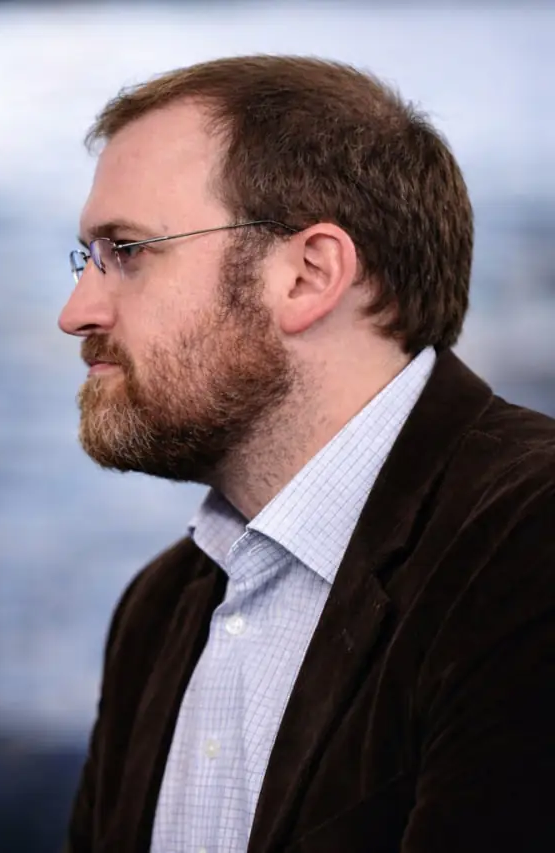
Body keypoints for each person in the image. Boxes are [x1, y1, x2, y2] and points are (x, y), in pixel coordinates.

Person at [58, 55, 555, 852]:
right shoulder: (156, 610)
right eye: (87, 257)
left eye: (128, 250)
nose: (77, 310)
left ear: (309, 275)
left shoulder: (530, 542)